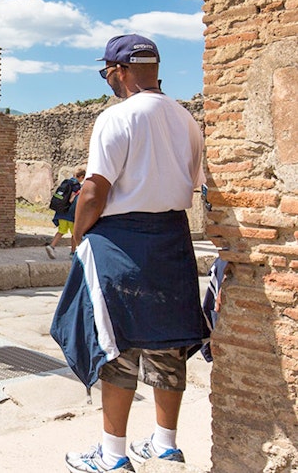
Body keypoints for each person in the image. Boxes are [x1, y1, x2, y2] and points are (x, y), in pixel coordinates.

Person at [52, 34, 208, 472]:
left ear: (120, 72)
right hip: (173, 240)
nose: (107, 81)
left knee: (115, 349)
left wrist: (79, 235)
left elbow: (93, 189)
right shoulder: (187, 120)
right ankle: (165, 444)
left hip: (121, 239)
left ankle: (113, 455)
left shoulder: (116, 118)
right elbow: (190, 182)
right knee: (168, 345)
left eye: (107, 73)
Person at [46, 168, 85, 259]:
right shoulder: (76, 185)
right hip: (70, 214)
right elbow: (71, 200)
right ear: (82, 177)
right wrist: (77, 194)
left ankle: (51, 246)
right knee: (74, 234)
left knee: (61, 231)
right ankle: (72, 252)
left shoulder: (66, 182)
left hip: (61, 213)